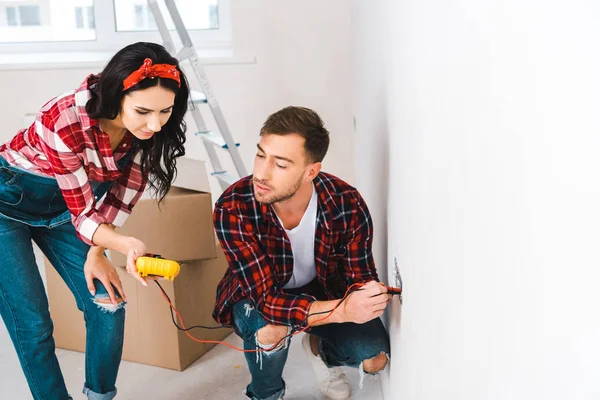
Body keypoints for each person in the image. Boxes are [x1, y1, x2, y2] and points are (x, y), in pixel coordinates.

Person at [0, 41, 189, 400]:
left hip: (66, 211)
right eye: (144, 111)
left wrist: (98, 253)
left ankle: (99, 395)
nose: (155, 124)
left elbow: (118, 200)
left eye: (166, 111)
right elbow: (84, 214)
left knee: (109, 305)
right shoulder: (64, 118)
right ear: (117, 94)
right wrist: (126, 245)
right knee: (33, 326)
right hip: (6, 206)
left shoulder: (147, 132)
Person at [212, 106, 391, 400]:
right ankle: (266, 393)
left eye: (280, 165)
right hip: (257, 295)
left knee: (374, 358)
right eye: (261, 155)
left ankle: (320, 349)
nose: (261, 173)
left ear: (311, 171)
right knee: (271, 329)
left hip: (323, 291)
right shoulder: (233, 206)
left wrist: (367, 296)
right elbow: (267, 300)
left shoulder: (346, 202)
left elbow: (360, 278)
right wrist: (341, 311)